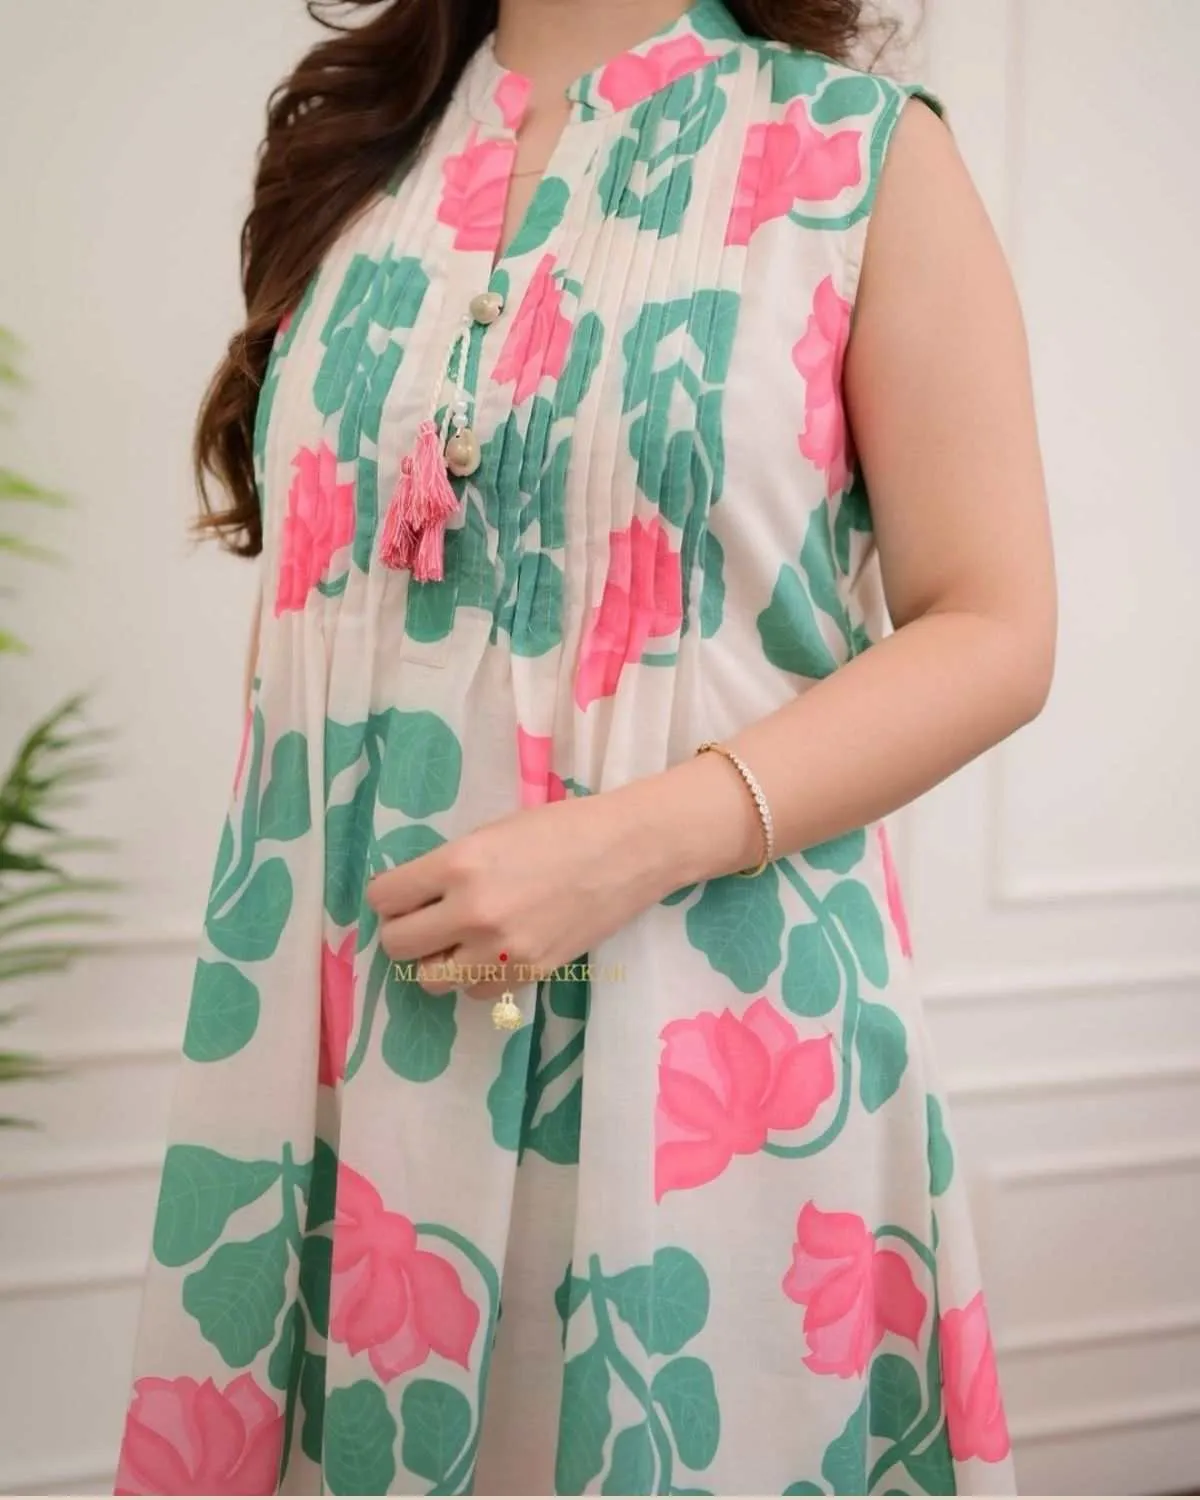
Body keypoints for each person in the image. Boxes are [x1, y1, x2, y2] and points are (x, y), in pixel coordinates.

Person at [113, 0, 1053, 1493]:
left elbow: (996, 624)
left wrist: (622, 846)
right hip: (352, 1071)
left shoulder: (861, 156)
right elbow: (306, 631)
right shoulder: (357, 157)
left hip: (702, 1065)